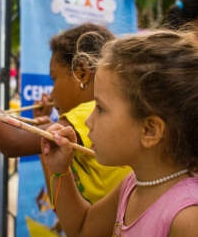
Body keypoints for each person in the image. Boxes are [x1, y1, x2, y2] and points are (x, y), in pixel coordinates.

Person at [41, 26, 198, 236]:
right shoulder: (133, 184)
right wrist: (60, 170)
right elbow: (82, 229)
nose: (88, 121)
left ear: (150, 130)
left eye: (100, 108)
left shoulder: (186, 218)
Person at [0, 23, 131, 206]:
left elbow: (13, 142)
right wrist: (43, 140)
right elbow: (62, 206)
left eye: (54, 79)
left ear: (82, 73)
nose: (51, 94)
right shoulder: (99, 115)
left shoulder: (92, 112)